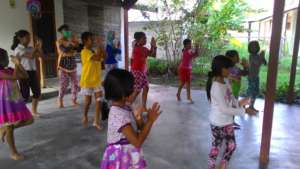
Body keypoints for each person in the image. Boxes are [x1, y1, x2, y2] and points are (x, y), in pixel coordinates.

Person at [100, 69, 161, 169]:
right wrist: (150, 120)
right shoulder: (118, 115)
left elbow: (140, 129)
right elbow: (137, 141)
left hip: (127, 153)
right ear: (124, 95)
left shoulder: (127, 106)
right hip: (120, 158)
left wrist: (138, 118)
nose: (136, 90)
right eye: (133, 88)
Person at [206, 55, 256, 169]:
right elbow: (224, 109)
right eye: (228, 68)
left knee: (232, 146)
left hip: (227, 121)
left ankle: (223, 166)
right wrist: (244, 111)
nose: (230, 70)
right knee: (216, 149)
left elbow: (231, 98)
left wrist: (240, 103)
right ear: (220, 68)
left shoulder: (226, 81)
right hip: (217, 123)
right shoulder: (216, 87)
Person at [0, 48, 34, 160]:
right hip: (5, 102)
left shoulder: (9, 69)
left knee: (29, 120)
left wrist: (19, 65)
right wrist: (17, 64)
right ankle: (13, 153)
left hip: (16, 100)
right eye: (4, 57)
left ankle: (4, 129)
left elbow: (25, 75)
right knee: (9, 126)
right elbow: (14, 77)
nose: (7, 59)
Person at [11, 30, 43, 117]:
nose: (29, 39)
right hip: (23, 73)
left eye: (29, 37)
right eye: (27, 37)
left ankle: (34, 111)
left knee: (37, 93)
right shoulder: (18, 49)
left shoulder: (30, 48)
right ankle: (19, 112)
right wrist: (36, 48)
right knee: (25, 95)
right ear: (20, 38)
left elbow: (40, 55)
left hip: (33, 72)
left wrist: (39, 46)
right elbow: (31, 56)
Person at [80, 32, 106, 130]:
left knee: (99, 101)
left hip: (97, 80)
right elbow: (98, 57)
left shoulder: (94, 51)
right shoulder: (85, 52)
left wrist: (101, 46)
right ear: (85, 41)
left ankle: (96, 121)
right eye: (91, 39)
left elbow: (104, 57)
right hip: (87, 80)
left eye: (93, 39)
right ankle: (85, 115)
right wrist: (99, 46)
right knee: (88, 102)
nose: (93, 41)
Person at [131, 32, 157, 111]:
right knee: (137, 90)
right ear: (138, 40)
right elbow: (152, 55)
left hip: (141, 72)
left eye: (146, 38)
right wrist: (153, 46)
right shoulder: (139, 48)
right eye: (144, 38)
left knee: (146, 88)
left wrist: (153, 46)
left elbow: (152, 54)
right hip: (137, 72)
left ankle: (143, 107)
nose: (146, 39)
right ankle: (127, 105)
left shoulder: (139, 47)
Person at [56, 24, 80, 108]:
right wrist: (72, 45)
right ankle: (60, 99)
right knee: (64, 84)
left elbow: (78, 49)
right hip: (63, 64)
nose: (67, 32)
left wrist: (73, 45)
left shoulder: (73, 40)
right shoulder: (59, 41)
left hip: (72, 63)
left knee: (76, 83)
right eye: (65, 31)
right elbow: (64, 50)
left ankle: (74, 99)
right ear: (61, 33)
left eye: (68, 30)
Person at [226, 50, 249, 129]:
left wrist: (245, 66)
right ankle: (229, 123)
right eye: (236, 57)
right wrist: (232, 77)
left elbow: (245, 73)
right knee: (231, 107)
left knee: (234, 107)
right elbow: (225, 76)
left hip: (235, 91)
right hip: (230, 92)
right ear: (230, 58)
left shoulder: (236, 68)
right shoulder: (226, 68)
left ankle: (231, 122)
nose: (238, 58)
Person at [176, 39, 199, 103]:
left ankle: (188, 97)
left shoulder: (189, 51)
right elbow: (195, 55)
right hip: (183, 69)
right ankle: (178, 94)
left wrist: (197, 48)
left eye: (191, 43)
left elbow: (196, 55)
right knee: (182, 83)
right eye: (189, 44)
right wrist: (196, 49)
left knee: (188, 83)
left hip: (188, 69)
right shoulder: (186, 51)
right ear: (185, 45)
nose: (191, 45)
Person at [247, 41, 267, 112]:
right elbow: (257, 63)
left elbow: (264, 63)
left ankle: (251, 106)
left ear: (258, 47)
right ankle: (243, 104)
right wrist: (261, 57)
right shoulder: (251, 56)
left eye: (255, 46)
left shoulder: (258, 55)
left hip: (256, 76)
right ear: (249, 48)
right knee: (251, 92)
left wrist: (263, 57)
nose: (254, 48)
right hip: (251, 77)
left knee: (255, 92)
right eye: (252, 47)